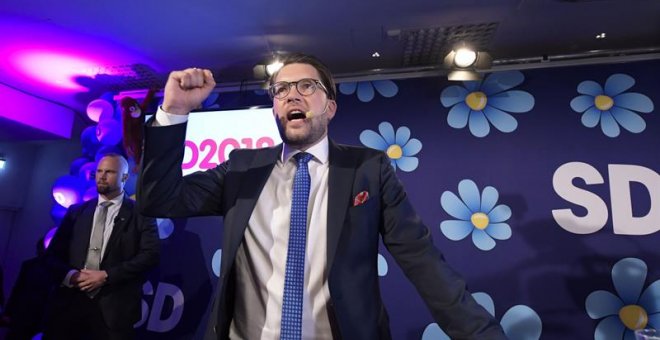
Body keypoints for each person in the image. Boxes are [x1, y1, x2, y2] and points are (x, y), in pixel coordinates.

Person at [138, 53, 506, 339]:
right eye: (281, 89)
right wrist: (174, 112)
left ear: (329, 107)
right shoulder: (241, 168)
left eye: (306, 86)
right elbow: (160, 200)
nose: (291, 94)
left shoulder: (369, 169)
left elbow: (424, 263)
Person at [44, 153, 160, 340]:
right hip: (69, 308)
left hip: (114, 313)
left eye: (109, 172)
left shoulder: (141, 214)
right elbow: (51, 257)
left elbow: (150, 256)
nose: (102, 176)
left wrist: (106, 276)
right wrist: (71, 276)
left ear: (124, 177)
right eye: (99, 171)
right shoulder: (76, 212)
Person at [3, 238, 53, 339]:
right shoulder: (29, 265)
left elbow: (17, 289)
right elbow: (17, 289)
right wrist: (8, 313)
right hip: (24, 313)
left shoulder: (53, 268)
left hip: (38, 316)